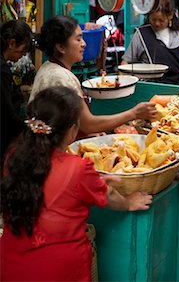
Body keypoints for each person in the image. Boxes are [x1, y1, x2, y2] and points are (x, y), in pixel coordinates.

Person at [1, 86, 152, 281]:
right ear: (73, 130)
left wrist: (89, 183)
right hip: (60, 271)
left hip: (11, 265)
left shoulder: (14, 156)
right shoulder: (78, 168)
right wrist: (129, 202)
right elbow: (109, 196)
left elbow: (46, 187)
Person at [29, 15, 156, 135]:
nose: (84, 44)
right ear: (61, 47)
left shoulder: (49, 67)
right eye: (78, 39)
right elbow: (88, 124)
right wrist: (134, 114)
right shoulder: (61, 77)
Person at [122, 0, 179, 85]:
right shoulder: (141, 34)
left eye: (161, 20)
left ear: (170, 15)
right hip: (153, 86)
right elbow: (125, 63)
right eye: (153, 19)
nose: (157, 23)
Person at [0, 19, 32, 157]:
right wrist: (30, 130)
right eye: (23, 50)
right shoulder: (2, 70)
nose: (23, 55)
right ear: (12, 43)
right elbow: (6, 113)